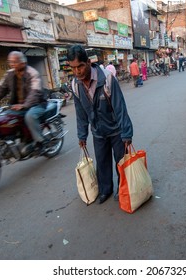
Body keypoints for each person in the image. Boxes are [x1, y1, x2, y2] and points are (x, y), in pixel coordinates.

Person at [67, 45, 133, 204]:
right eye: (73, 68)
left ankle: (122, 188)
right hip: (98, 132)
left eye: (80, 66)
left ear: (88, 62)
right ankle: (105, 190)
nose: (77, 72)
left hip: (116, 131)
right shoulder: (76, 85)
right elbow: (81, 113)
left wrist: (126, 133)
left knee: (120, 162)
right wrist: (82, 135)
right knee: (102, 163)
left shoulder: (108, 78)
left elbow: (120, 107)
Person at [0, 51, 47, 152]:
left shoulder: (32, 73)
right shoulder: (9, 74)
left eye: (15, 62)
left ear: (23, 63)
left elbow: (35, 92)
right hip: (17, 105)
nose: (12, 64)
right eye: (10, 62)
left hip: (37, 104)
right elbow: (0, 89)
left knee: (30, 116)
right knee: (3, 117)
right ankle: (13, 139)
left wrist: (25, 105)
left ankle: (40, 141)